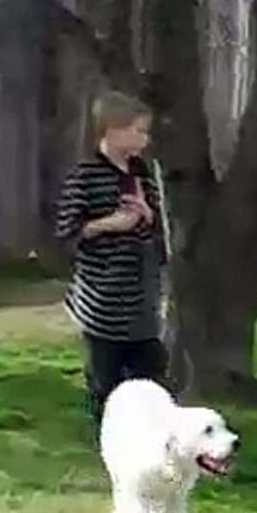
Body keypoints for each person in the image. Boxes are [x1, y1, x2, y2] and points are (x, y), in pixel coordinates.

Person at [55, 90, 167, 427]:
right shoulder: (84, 177)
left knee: (151, 379)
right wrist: (108, 225)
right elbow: (67, 235)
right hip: (101, 301)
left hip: (141, 299)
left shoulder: (143, 176)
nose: (145, 140)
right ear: (114, 130)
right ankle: (109, 442)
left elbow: (161, 235)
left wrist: (147, 215)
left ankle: (148, 438)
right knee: (106, 382)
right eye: (139, 131)